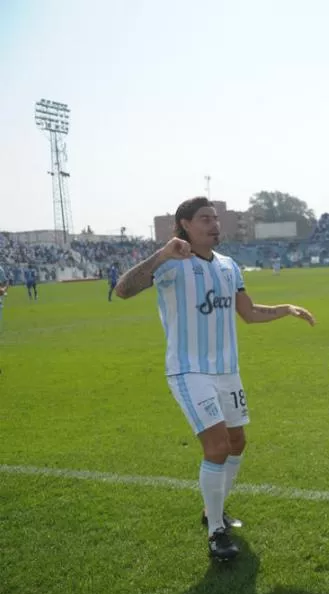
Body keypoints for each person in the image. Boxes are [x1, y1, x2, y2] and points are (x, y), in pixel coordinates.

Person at [114, 196, 315, 561]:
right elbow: (123, 289)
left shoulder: (228, 266)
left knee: (237, 442)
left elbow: (249, 313)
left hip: (227, 371)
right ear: (185, 224)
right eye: (205, 218)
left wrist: (286, 309)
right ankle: (216, 530)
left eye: (216, 218)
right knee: (218, 446)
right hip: (190, 370)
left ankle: (212, 509)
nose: (215, 224)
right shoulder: (173, 265)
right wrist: (162, 254)